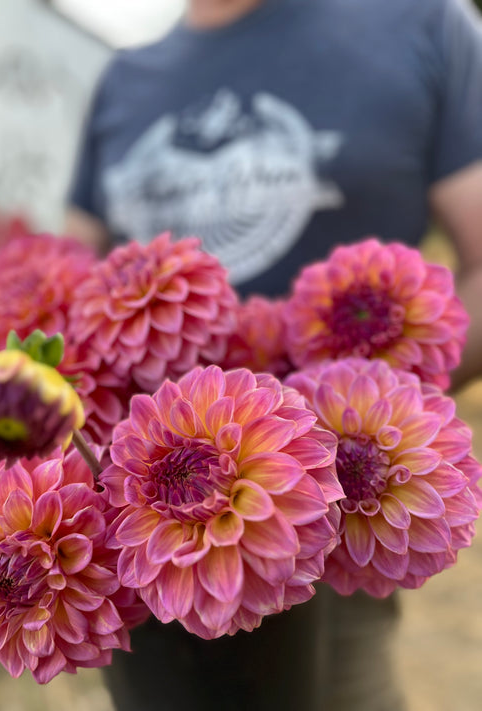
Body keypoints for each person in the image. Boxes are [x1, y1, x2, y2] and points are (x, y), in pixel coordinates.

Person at [65, 0, 482, 709]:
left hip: (340, 529)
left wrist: (352, 422)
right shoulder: (124, 80)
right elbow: (72, 288)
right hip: (147, 539)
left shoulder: (422, 26)